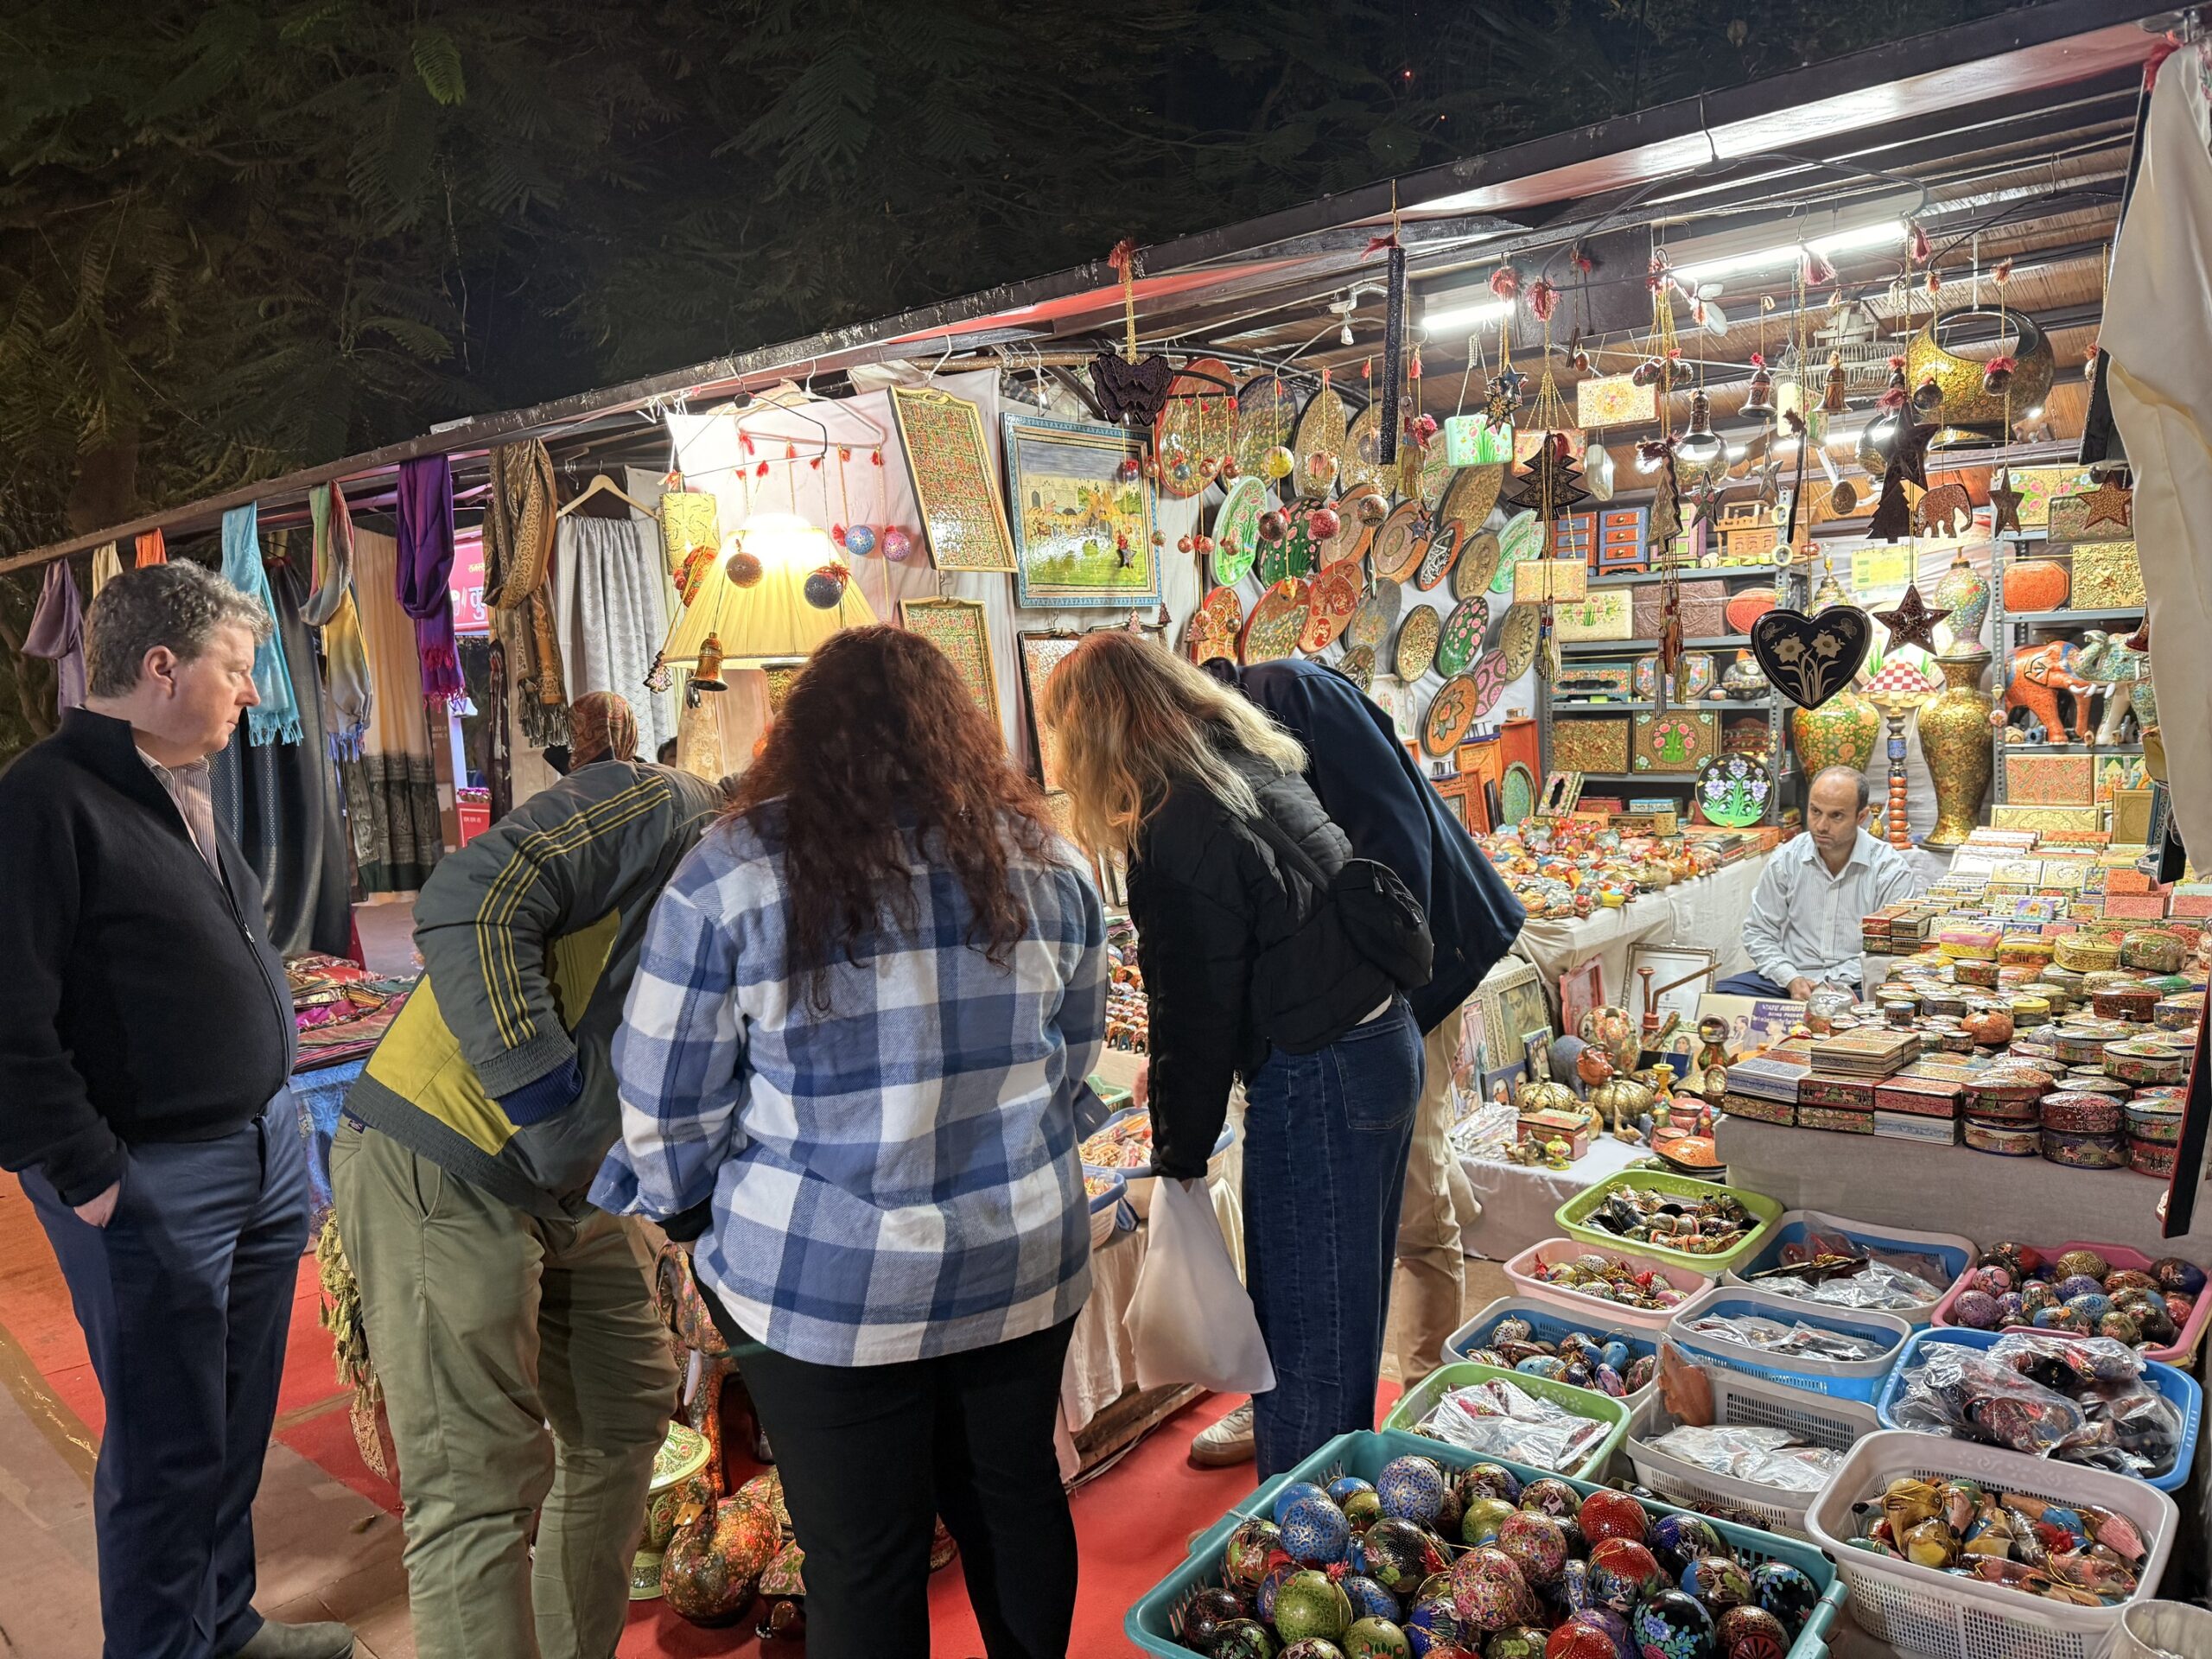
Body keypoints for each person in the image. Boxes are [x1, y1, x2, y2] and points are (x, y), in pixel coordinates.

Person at [596, 626, 1104, 1658]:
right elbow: (1074, 1055)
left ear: (802, 732)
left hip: (825, 1286)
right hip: (1020, 1257)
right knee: (1015, 1503)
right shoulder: (1049, 857)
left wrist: (690, 1214)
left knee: (861, 1557)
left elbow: (663, 1098)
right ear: (958, 731)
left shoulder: (731, 872)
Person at [0, 562, 351, 1659]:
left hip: (251, 1149)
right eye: (237, 671)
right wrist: (87, 1169)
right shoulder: (44, 800)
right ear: (161, 668)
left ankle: (224, 1626)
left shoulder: (179, 783)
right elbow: (9, 1009)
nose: (251, 695)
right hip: (152, 1177)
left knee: (233, 1421)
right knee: (164, 1448)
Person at [331, 690, 724, 1659]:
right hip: (444, 1153)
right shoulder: (666, 807)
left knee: (626, 1410)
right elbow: (467, 897)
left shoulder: (793, 895)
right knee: (476, 1490)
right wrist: (551, 1106)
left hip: (572, 1180)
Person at [1041, 632, 1424, 1478]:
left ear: (1095, 738)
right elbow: (1234, 972)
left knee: (1302, 1332)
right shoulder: (1244, 762)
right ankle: (1342, 1519)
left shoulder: (1173, 821)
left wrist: (1175, 1153)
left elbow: (1194, 1012)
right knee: (1343, 1313)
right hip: (1377, 1043)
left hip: (1322, 1071)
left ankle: (1304, 1554)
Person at [1719, 765, 1920, 1001]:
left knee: (1895, 1001)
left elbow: (1893, 951)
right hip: (1794, 981)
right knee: (1721, 994)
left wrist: (1831, 986)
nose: (1821, 826)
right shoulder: (1787, 858)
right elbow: (1758, 931)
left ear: (1861, 817)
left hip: (1855, 984)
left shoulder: (1890, 870)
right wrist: (1791, 979)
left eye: (1836, 816)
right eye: (1815, 811)